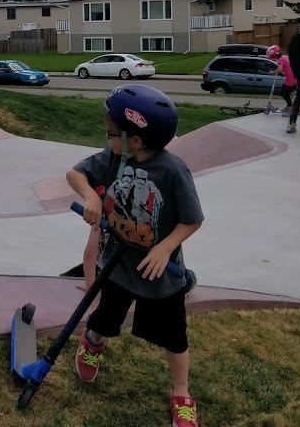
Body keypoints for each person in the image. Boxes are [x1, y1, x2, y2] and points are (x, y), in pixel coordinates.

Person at [65, 84, 204, 427]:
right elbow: (74, 173)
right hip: (117, 265)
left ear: (136, 140)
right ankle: (92, 342)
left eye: (111, 132)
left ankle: (182, 393)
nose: (107, 136)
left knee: (174, 336)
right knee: (105, 319)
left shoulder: (173, 171)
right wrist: (91, 196)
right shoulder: (112, 158)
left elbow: (193, 219)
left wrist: (165, 246)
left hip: (159, 271)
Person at [266, 45, 296, 114]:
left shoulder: (281, 60)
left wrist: (273, 72)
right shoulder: (284, 57)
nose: (272, 57)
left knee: (285, 94)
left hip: (291, 80)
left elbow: (279, 69)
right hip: (290, 79)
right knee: (282, 93)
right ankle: (289, 106)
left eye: (272, 56)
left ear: (274, 54)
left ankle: (290, 108)